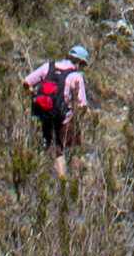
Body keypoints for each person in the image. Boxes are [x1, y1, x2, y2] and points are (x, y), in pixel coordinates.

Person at [24, 43, 92, 176]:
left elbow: (26, 82)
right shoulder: (76, 76)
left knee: (55, 150)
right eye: (82, 64)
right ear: (79, 62)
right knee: (74, 150)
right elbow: (82, 105)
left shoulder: (47, 67)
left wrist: (36, 97)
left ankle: (61, 181)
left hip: (46, 117)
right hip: (65, 120)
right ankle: (74, 181)